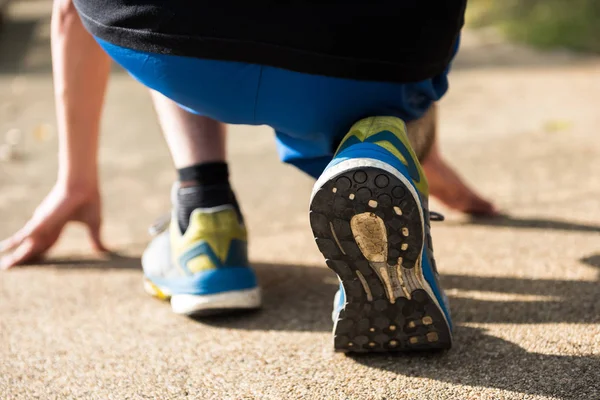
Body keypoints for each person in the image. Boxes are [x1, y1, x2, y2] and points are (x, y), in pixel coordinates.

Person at [0, 0, 489, 353]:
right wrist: (420, 134)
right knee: (394, 49)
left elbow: (69, 12)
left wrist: (75, 181)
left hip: (181, 44)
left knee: (180, 27)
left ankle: (206, 224)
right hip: (378, 58)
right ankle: (380, 149)